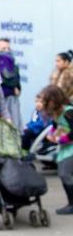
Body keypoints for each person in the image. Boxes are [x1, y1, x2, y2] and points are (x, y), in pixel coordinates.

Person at [37, 85, 73, 214]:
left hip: (70, 149)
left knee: (64, 173)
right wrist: (51, 134)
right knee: (65, 173)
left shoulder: (68, 112)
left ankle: (72, 204)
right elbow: (55, 125)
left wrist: (60, 140)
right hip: (66, 148)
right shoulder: (57, 112)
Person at [0, 38, 22, 131]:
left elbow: (16, 80)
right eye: (3, 49)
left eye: (8, 48)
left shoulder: (13, 64)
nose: (6, 51)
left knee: (14, 126)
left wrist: (17, 87)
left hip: (12, 99)